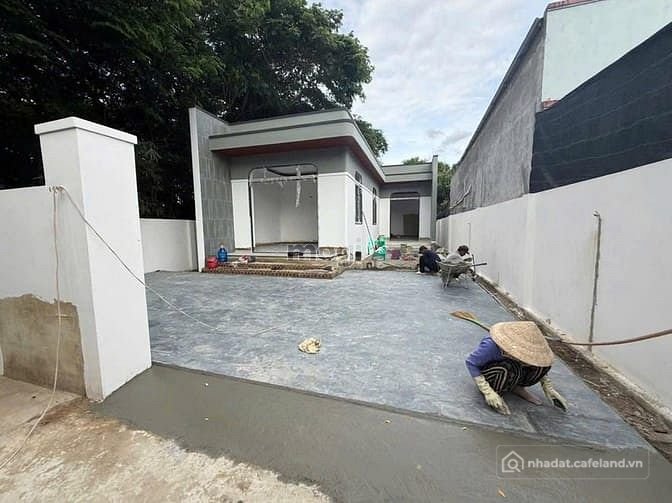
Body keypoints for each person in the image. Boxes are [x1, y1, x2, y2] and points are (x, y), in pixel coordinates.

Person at [465, 321, 568, 415]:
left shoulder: (529, 350)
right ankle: (497, 394)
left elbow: (539, 362)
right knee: (507, 367)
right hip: (494, 373)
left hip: (515, 372)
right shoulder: (491, 346)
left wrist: (548, 387)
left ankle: (517, 387)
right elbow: (471, 362)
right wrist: (487, 391)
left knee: (542, 366)